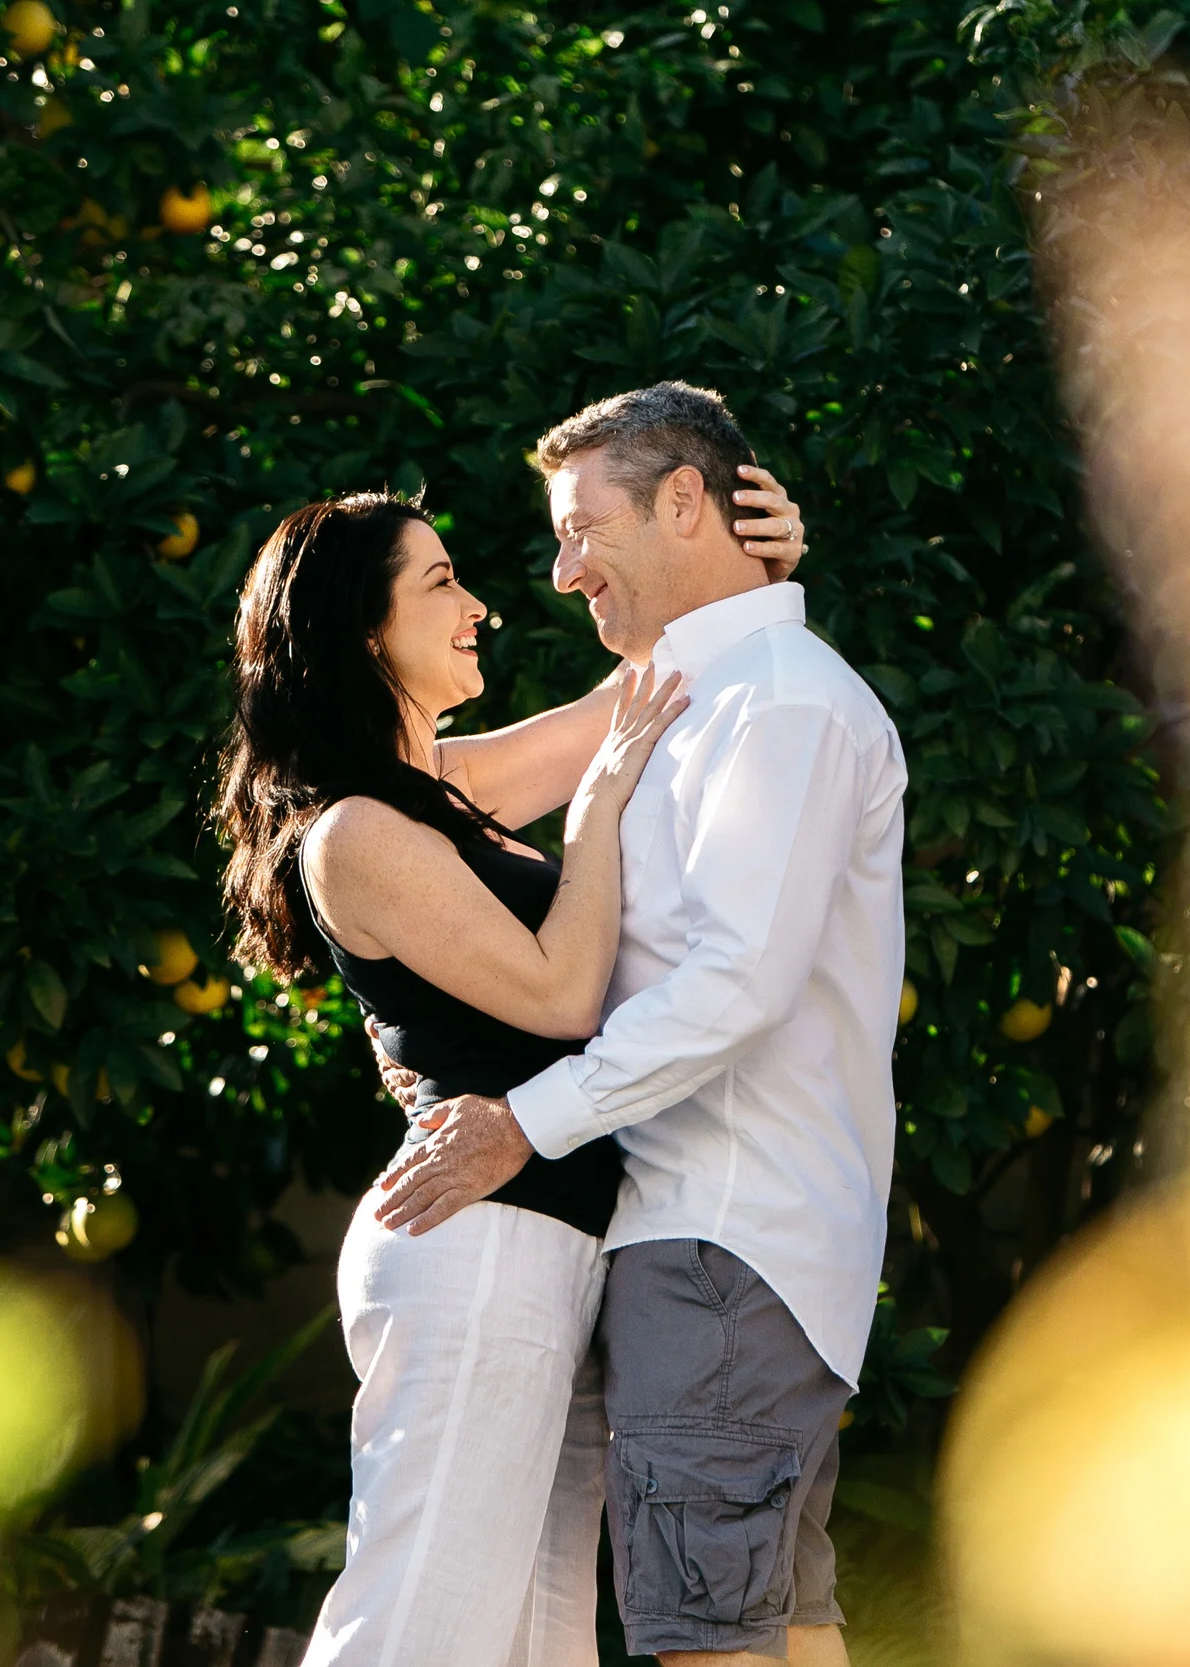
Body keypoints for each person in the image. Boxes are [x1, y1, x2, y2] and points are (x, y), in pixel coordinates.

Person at [215, 464, 807, 1667]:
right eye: (440, 583)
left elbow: (648, 692)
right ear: (360, 631)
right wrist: (591, 825)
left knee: (539, 1638)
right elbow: (558, 988)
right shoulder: (356, 830)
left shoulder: (447, 788)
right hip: (477, 1242)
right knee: (421, 1624)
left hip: (542, 1238)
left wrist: (761, 573)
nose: (479, 604)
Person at [375, 382, 907, 1666]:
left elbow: (734, 985)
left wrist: (520, 1122)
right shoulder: (686, 696)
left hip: (721, 1237)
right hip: (724, 1241)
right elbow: (432, 784)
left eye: (579, 529)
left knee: (710, 1637)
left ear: (685, 502)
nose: (559, 576)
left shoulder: (773, 702)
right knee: (781, 1624)